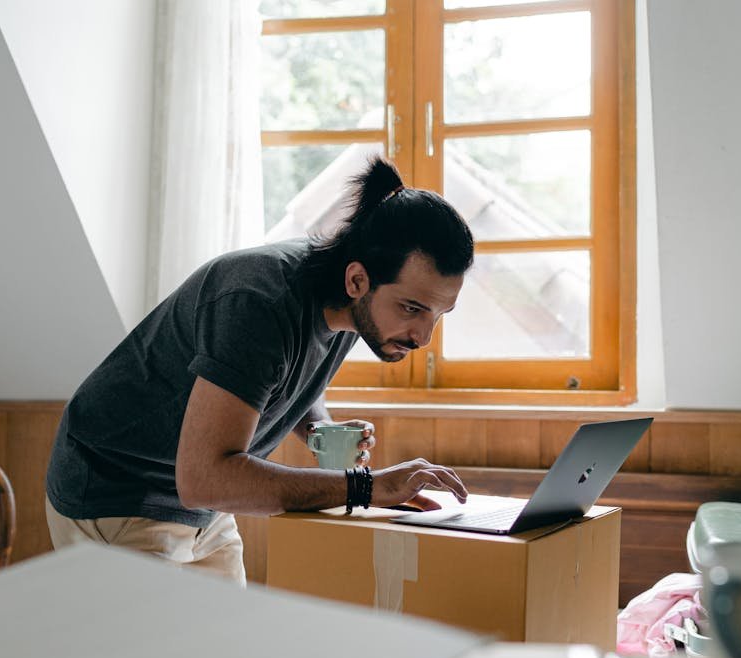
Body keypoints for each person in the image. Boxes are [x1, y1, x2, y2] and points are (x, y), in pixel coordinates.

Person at [44, 157, 474, 584]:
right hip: (118, 494)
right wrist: (363, 486)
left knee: (230, 648)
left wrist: (318, 427)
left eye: (439, 314)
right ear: (357, 281)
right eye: (412, 309)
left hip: (202, 505)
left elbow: (278, 371)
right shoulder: (257, 301)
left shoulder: (352, 305)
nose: (422, 336)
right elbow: (205, 478)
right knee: (155, 654)